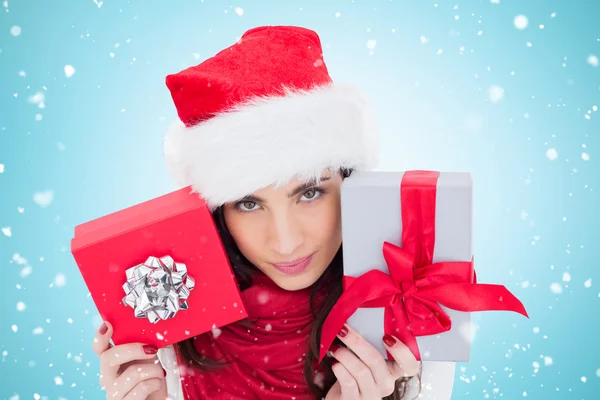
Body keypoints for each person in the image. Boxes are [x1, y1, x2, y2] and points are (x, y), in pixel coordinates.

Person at [91, 26, 456, 400]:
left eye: (310, 193)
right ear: (216, 213)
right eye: (248, 204)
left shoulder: (406, 327)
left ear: (350, 185)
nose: (285, 242)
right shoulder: (167, 332)